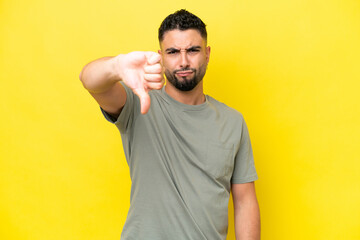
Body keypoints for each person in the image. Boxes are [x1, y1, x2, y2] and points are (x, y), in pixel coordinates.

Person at [80, 9, 260, 240]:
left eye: (193, 50)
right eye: (173, 52)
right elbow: (90, 81)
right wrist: (117, 66)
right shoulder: (138, 103)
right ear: (161, 56)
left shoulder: (233, 121)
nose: (183, 61)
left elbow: (245, 201)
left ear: (207, 54)